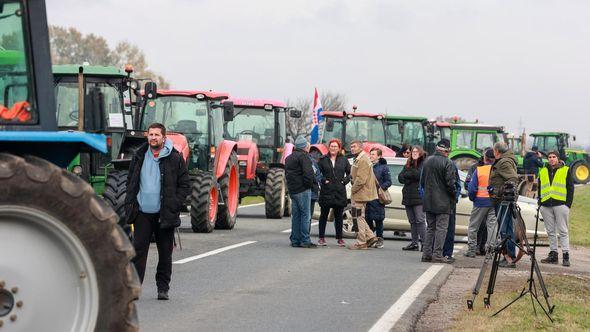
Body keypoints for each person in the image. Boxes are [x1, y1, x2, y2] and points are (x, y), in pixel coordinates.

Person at [126, 123, 191, 300]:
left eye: (157, 135)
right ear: (147, 136)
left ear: (164, 137)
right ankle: (134, 288)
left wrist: (174, 204)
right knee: (138, 251)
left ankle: (163, 288)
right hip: (142, 213)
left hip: (165, 213)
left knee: (164, 253)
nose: (153, 137)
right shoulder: (139, 155)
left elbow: (185, 185)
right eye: (151, 134)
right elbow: (131, 180)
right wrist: (130, 204)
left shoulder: (175, 158)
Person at [419, 139, 456, 263]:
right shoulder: (448, 163)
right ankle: (437, 255)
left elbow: (422, 182)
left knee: (430, 228)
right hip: (443, 202)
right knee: (441, 229)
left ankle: (426, 254)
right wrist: (454, 196)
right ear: (447, 150)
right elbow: (450, 184)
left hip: (429, 201)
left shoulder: (427, 161)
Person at [539, 151, 574, 267]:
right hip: (546, 205)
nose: (551, 159)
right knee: (550, 232)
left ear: (558, 158)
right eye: (549, 157)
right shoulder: (543, 171)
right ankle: (553, 255)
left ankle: (565, 256)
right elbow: (540, 187)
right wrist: (540, 201)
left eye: (554, 157)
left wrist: (567, 205)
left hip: (560, 205)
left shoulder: (565, 170)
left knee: (563, 231)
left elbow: (570, 188)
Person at [489, 141, 519, 268]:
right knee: (504, 229)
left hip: (503, 201)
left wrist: (500, 191)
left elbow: (512, 179)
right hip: (500, 200)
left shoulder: (504, 162)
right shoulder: (504, 160)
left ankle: (510, 257)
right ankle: (506, 255)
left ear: (497, 151)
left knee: (506, 229)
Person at [464, 149, 498, 257]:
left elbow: (472, 188)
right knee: (492, 227)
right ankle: (490, 251)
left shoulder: (478, 170)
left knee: (473, 227)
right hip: (492, 202)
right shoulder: (496, 171)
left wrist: (473, 198)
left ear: (485, 158)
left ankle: (471, 250)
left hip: (479, 202)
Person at [317, 139, 351, 247]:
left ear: (339, 148)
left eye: (335, 146)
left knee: (339, 216)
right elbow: (317, 173)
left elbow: (350, 174)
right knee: (324, 215)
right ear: (328, 147)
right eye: (331, 146)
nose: (333, 148)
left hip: (339, 191)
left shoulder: (344, 160)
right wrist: (323, 180)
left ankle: (340, 238)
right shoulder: (322, 159)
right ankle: (321, 238)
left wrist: (344, 182)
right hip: (326, 190)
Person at [285, 135, 316, 248]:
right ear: (304, 147)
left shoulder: (289, 158)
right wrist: (308, 186)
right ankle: (305, 240)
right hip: (303, 190)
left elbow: (287, 175)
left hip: (293, 190)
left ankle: (295, 240)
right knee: (305, 216)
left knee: (296, 216)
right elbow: (308, 174)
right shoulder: (304, 157)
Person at [349, 140, 380, 250]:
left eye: (354, 146)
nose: (352, 148)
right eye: (351, 146)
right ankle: (371, 237)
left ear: (360, 147)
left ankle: (361, 242)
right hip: (360, 192)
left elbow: (361, 179)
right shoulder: (359, 158)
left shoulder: (362, 159)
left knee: (357, 217)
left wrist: (353, 189)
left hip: (360, 193)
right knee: (359, 216)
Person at [398, 145, 427, 251]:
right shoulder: (408, 163)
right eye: (412, 152)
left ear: (420, 153)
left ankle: (424, 243)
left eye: (416, 151)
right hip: (408, 195)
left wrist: (408, 175)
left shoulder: (423, 163)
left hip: (418, 196)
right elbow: (400, 177)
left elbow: (419, 175)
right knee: (412, 221)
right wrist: (409, 176)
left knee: (420, 220)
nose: (414, 153)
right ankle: (414, 243)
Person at [366, 148, 392, 248]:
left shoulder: (384, 167)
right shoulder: (368, 165)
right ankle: (370, 238)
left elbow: (388, 181)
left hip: (377, 197)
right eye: (370, 154)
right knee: (367, 218)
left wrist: (380, 188)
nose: (371, 156)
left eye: (373, 154)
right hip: (367, 196)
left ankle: (380, 239)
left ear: (379, 156)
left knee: (378, 219)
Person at [442, 163, 461, 263]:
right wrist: (455, 196)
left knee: (433, 228)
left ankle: (433, 252)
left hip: (434, 201)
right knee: (448, 227)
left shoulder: (428, 163)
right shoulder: (450, 165)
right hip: (448, 202)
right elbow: (455, 184)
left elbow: (422, 184)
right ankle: (447, 253)